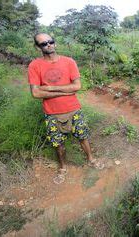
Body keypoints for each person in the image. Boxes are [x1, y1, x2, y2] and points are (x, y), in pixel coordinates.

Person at [28, 33, 104, 185]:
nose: (48, 45)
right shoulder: (35, 65)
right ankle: (63, 167)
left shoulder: (69, 62)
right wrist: (64, 90)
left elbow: (77, 86)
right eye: (43, 44)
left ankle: (91, 159)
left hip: (73, 109)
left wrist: (49, 88)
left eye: (51, 42)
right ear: (38, 47)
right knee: (58, 144)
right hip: (52, 113)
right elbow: (36, 93)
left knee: (83, 137)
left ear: (55, 43)